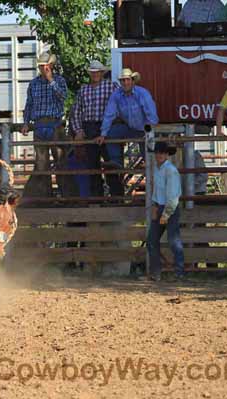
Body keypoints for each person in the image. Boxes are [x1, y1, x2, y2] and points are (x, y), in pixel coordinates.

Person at [96, 68, 159, 196]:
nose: (125, 83)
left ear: (132, 81)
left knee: (150, 162)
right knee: (111, 133)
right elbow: (109, 114)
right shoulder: (116, 95)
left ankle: (155, 193)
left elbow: (151, 115)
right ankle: (117, 162)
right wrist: (103, 133)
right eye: (122, 80)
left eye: (127, 80)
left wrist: (149, 130)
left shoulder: (143, 94)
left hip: (144, 129)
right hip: (130, 128)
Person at [69, 60, 118, 196]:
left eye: (97, 72)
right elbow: (76, 112)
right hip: (89, 127)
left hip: (107, 126)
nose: (95, 74)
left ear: (102, 73)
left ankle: (116, 197)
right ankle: (97, 197)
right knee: (92, 164)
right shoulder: (83, 89)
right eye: (93, 72)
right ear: (90, 73)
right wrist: (79, 131)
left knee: (110, 162)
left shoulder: (112, 86)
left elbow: (119, 105)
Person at [21, 52, 68, 195]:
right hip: (39, 125)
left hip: (56, 124)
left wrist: (51, 81)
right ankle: (45, 196)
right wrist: (26, 122)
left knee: (60, 162)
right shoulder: (33, 83)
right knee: (42, 164)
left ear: (51, 66)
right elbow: (29, 104)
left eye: (45, 66)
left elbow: (63, 97)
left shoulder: (59, 80)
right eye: (41, 66)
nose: (43, 68)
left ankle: (65, 194)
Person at [147, 142, 185, 282]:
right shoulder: (161, 169)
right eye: (157, 152)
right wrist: (155, 206)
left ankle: (177, 272)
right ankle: (160, 273)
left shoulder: (170, 170)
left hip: (169, 208)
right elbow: (160, 191)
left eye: (162, 152)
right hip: (162, 207)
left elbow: (173, 197)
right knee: (155, 240)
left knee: (172, 241)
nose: (159, 155)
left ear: (167, 154)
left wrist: (165, 214)